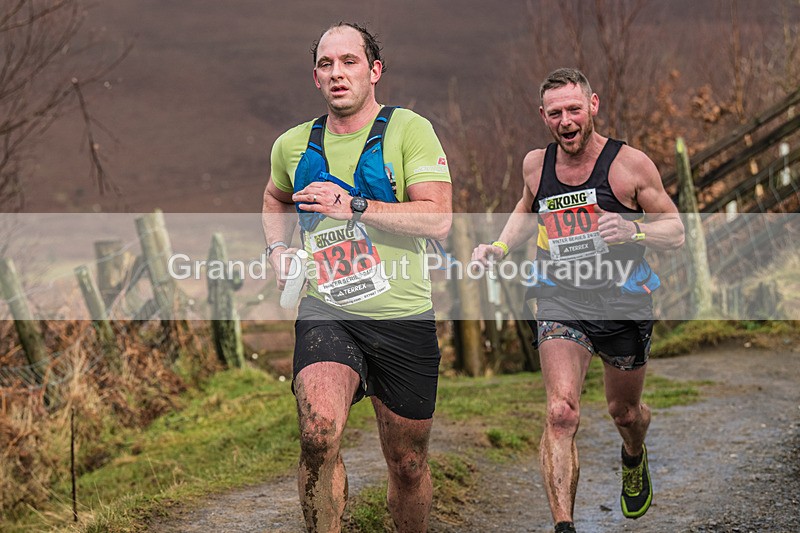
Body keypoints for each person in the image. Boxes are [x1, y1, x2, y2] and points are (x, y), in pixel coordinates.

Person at [472, 68, 684, 533]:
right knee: (560, 411)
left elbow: (676, 228)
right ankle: (564, 526)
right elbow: (528, 209)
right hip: (559, 295)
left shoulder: (630, 165)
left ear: (593, 105)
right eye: (555, 113)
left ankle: (633, 453)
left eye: (573, 109)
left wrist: (634, 229)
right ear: (543, 115)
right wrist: (499, 247)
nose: (565, 121)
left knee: (624, 412)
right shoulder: (536, 164)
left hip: (621, 300)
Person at [261, 22, 452, 533]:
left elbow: (437, 217)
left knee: (407, 464)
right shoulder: (292, 145)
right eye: (326, 64)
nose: (337, 73)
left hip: (401, 316)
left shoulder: (409, 130)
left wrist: (355, 206)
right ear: (315, 78)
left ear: (374, 71)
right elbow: (275, 196)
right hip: (328, 310)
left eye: (349, 61)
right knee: (319, 433)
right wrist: (278, 247)